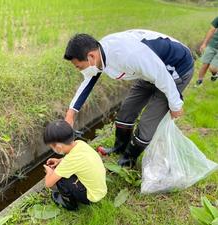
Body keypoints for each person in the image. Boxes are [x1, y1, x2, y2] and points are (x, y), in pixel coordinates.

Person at [63, 29, 194, 167]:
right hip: (150, 71)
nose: (79, 70)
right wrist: (70, 114)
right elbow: (88, 82)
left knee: (147, 122)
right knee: (126, 111)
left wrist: (175, 105)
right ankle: (119, 149)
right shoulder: (99, 55)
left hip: (175, 69)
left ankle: (127, 161)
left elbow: (162, 76)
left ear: (90, 56)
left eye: (79, 67)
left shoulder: (129, 55)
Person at [43, 120, 107, 210]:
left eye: (52, 147)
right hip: (100, 189)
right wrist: (59, 160)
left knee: (60, 179)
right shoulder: (80, 144)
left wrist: (49, 172)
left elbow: (48, 183)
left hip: (91, 197)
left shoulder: (69, 162)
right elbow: (76, 160)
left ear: (58, 147)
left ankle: (69, 203)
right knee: (61, 171)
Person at [195, 16, 218, 86]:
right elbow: (211, 30)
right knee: (205, 64)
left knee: (213, 69)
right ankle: (199, 81)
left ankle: (215, 73)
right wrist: (204, 44)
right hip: (212, 44)